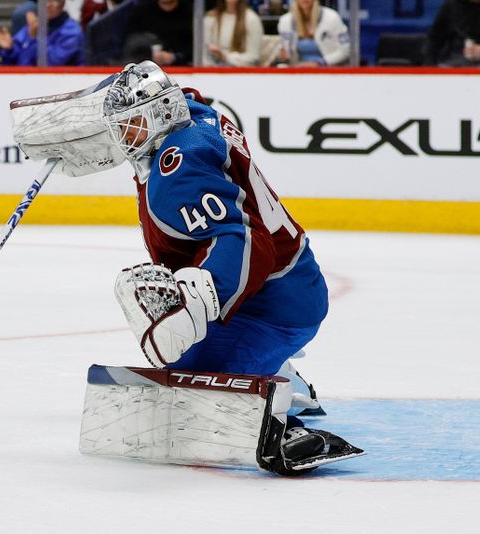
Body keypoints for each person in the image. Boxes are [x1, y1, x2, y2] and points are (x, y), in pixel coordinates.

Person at [103, 61, 363, 473]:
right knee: (182, 371)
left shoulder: (175, 169)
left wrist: (199, 295)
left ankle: (277, 402)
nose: (122, 137)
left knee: (194, 396)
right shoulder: (197, 119)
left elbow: (243, 241)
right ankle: (278, 370)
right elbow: (190, 98)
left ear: (159, 114)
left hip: (277, 305)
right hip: (283, 286)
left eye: (131, 124)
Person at [0, 0, 85, 66]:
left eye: (53, 1)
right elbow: (14, 64)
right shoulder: (32, 26)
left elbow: (49, 64)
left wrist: (35, 39)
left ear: (62, 5)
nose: (47, 5)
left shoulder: (72, 32)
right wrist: (9, 49)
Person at [276, 0, 349, 67]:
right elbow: (284, 52)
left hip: (329, 69)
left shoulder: (332, 17)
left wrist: (319, 63)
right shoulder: (285, 21)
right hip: (298, 70)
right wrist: (283, 55)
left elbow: (345, 50)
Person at [123, 0, 192, 65]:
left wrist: (175, 57)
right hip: (145, 69)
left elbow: (196, 49)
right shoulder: (142, 11)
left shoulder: (193, 13)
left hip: (184, 68)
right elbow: (130, 44)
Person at [203, 0, 264, 66]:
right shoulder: (210, 18)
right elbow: (203, 56)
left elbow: (253, 58)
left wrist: (225, 57)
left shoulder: (252, 19)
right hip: (212, 73)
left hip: (241, 72)